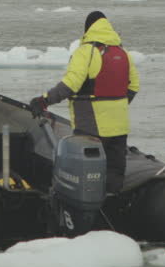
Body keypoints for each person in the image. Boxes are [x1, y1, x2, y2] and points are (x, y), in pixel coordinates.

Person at [29, 11, 139, 194]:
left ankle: (88, 209)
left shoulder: (86, 52)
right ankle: (113, 207)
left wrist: (43, 101)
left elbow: (70, 85)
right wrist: (116, 106)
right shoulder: (123, 53)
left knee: (89, 176)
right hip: (119, 128)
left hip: (91, 127)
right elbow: (134, 86)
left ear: (88, 28)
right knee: (114, 173)